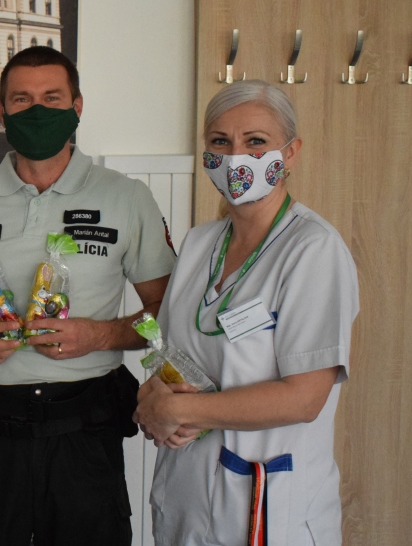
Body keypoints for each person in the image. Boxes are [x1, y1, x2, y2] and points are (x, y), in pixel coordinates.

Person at [0, 46, 177, 545]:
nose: (37, 110)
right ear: (1, 110)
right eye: (21, 99)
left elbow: (166, 314)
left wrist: (100, 335)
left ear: (77, 106)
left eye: (52, 97)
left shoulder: (127, 198)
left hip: (86, 427)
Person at [133, 80, 358, 546]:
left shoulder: (313, 249)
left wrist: (180, 409)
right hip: (187, 491)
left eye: (256, 141)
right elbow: (173, 355)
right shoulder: (200, 244)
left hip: (267, 503)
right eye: (220, 142)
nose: (236, 157)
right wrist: (154, 398)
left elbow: (303, 398)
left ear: (290, 153)